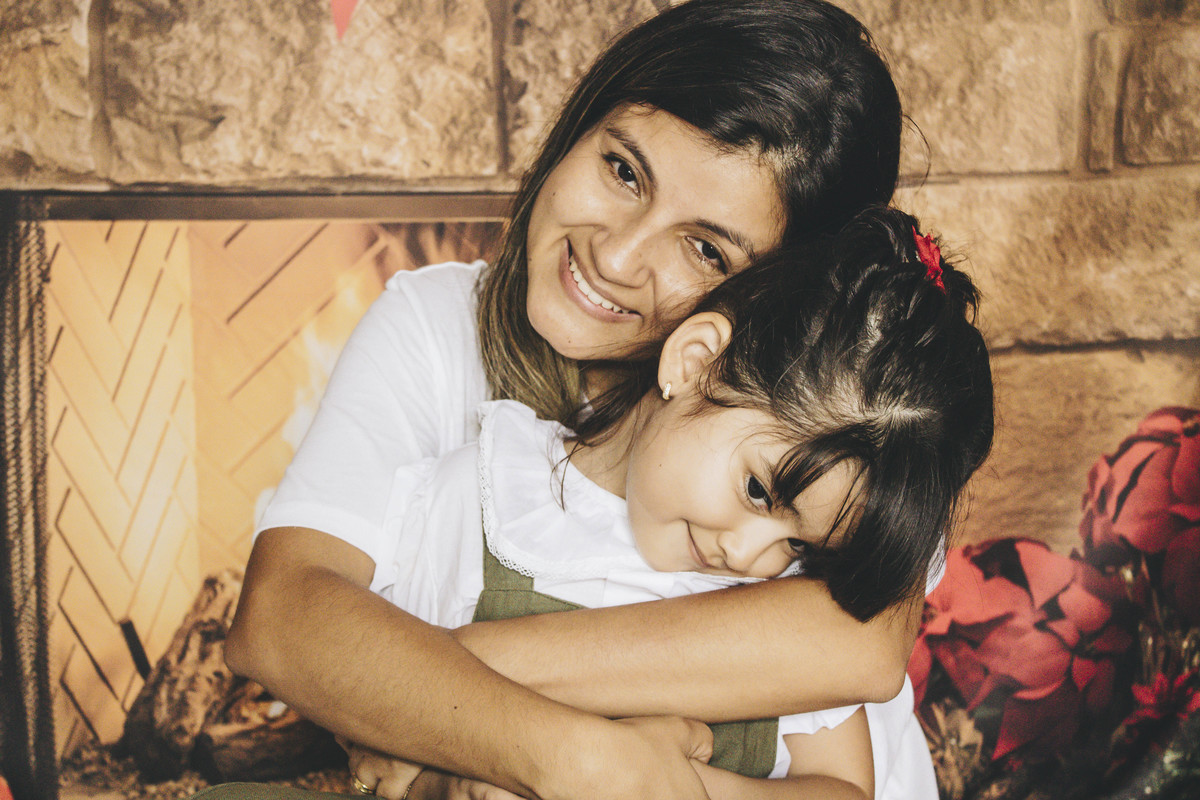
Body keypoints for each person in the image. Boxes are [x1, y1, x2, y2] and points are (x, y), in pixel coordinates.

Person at [224, 1, 913, 798]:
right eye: (623, 171)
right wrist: (584, 761)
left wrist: (429, 685)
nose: (616, 256)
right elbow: (282, 620)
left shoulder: (839, 414)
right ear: (580, 125)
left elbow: (862, 647)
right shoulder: (435, 329)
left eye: (705, 249)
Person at [336, 207, 994, 800]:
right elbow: (381, 740)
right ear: (695, 361)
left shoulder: (787, 607)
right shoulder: (483, 502)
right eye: (758, 490)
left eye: (798, 542)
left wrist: (671, 783)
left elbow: (843, 790)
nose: (748, 555)